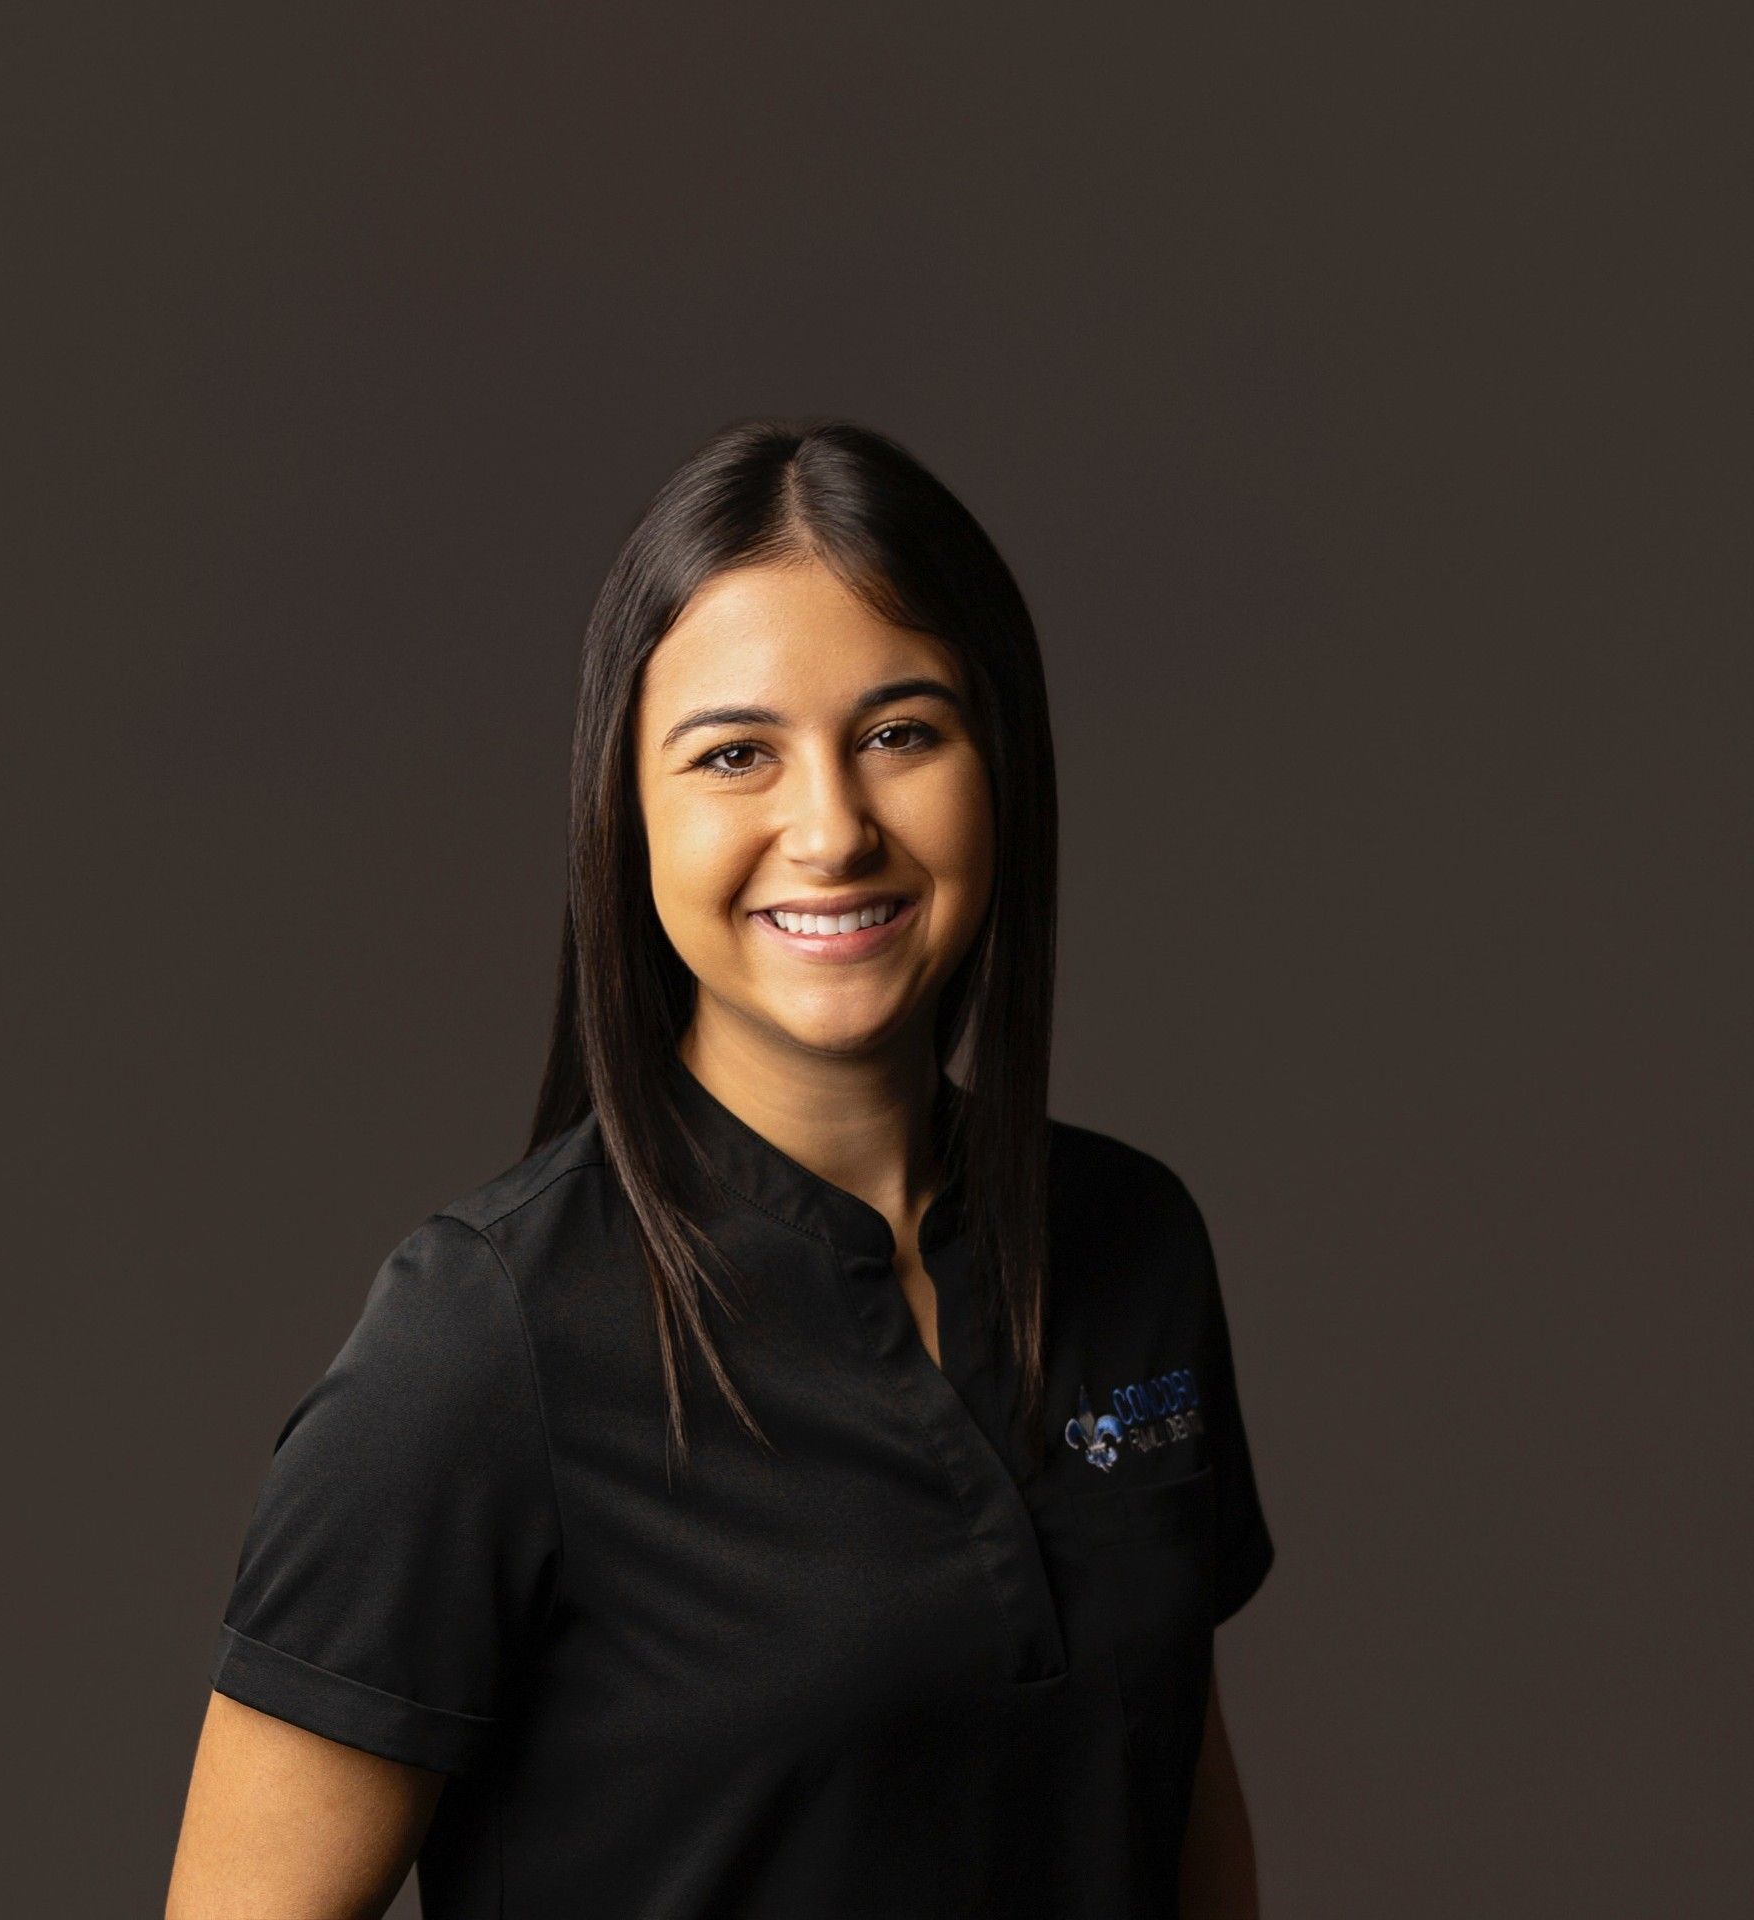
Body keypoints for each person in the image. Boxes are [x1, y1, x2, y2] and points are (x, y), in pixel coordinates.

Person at [166, 418, 1276, 1919]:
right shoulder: (485, 1339)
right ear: (626, 812)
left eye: (900, 732)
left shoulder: (1137, 1243)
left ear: (999, 760)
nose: (830, 828)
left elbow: (1180, 1820)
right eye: (735, 755)